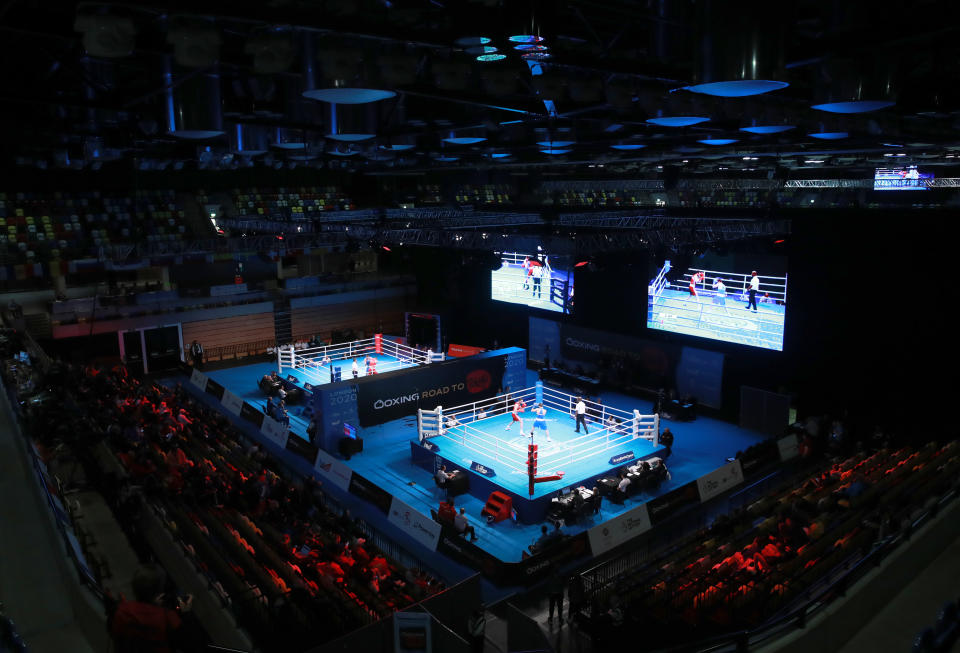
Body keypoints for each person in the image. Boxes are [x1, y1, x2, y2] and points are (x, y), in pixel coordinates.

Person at [108, 564, 198, 653]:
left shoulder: (120, 611)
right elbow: (189, 645)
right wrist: (186, 613)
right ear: (159, 594)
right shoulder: (167, 618)